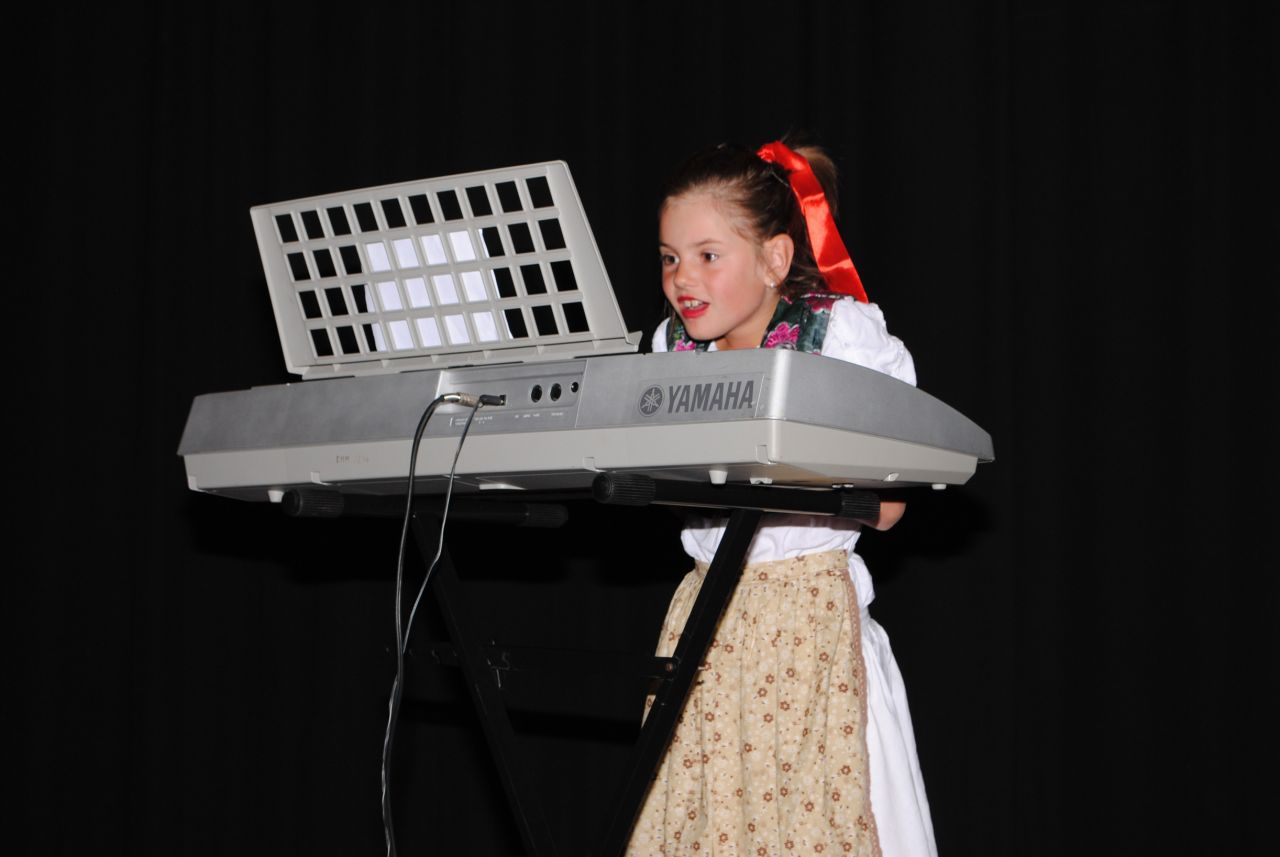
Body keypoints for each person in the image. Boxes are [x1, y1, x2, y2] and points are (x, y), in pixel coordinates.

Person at [626, 138, 936, 857]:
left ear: (773, 258)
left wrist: (780, 465)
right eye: (669, 258)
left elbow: (891, 506)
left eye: (707, 255)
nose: (681, 278)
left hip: (806, 622)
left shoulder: (838, 336)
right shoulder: (672, 352)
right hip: (706, 615)